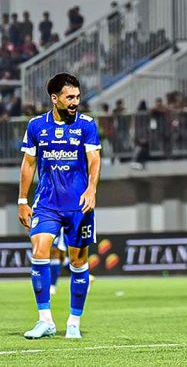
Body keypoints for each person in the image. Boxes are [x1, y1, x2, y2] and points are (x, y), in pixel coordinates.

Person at [18, 73, 101, 339]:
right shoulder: (35, 126)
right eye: (70, 97)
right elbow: (28, 164)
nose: (75, 101)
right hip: (47, 204)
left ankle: (73, 322)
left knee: (78, 261)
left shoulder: (87, 125)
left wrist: (91, 189)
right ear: (55, 98)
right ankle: (45, 320)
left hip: (79, 205)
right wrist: (22, 200)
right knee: (40, 250)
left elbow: (94, 159)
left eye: (77, 96)